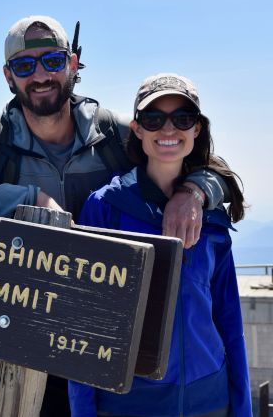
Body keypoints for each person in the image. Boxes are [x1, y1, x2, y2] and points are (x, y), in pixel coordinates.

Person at [0, 17, 229, 417]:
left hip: (101, 341)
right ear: (9, 77)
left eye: (53, 61)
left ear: (73, 64)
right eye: (25, 66)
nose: (40, 75)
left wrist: (195, 191)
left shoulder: (110, 131)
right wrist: (30, 199)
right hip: (25, 344)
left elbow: (183, 152)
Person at [68, 73, 252, 417]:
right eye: (154, 119)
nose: (169, 130)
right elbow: (83, 324)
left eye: (182, 119)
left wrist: (242, 408)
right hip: (129, 403)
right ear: (137, 129)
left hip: (210, 401)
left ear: (197, 129)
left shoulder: (210, 215)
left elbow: (229, 319)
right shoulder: (105, 207)